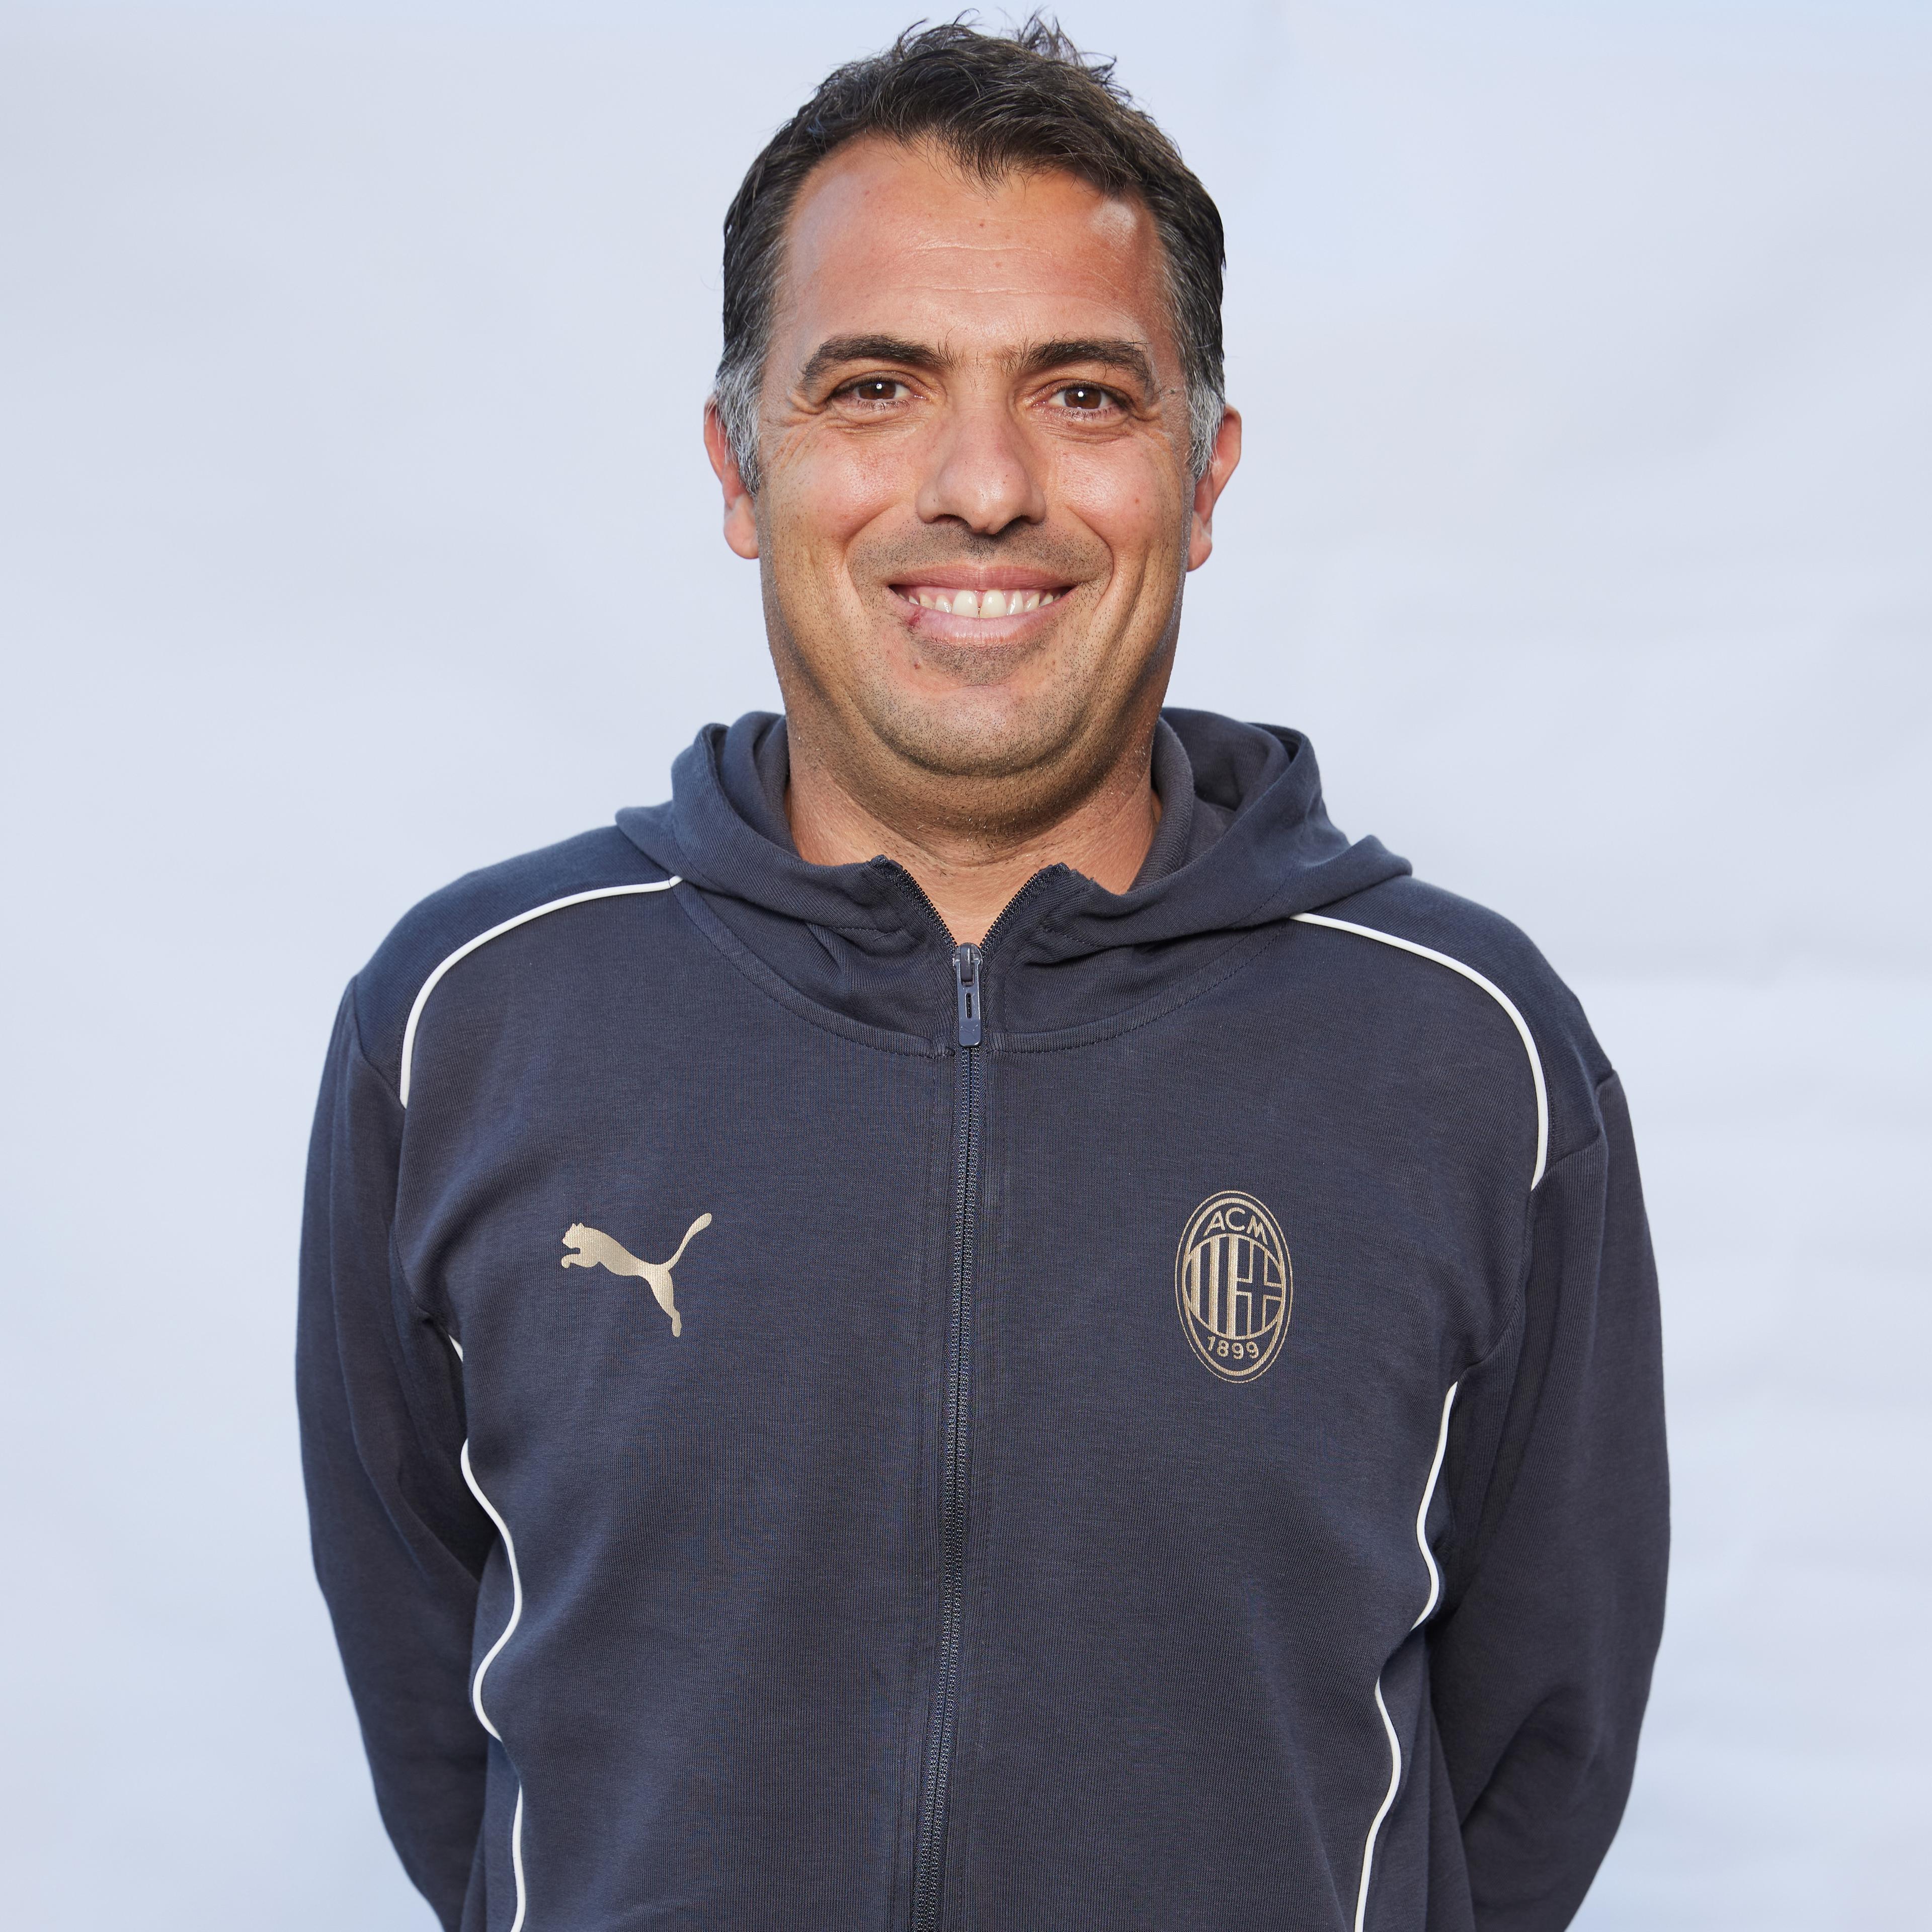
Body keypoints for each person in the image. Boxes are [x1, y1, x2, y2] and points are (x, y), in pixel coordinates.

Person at [298, 20, 1667, 1932]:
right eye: (877, 385)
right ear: (740, 462)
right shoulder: (470, 1025)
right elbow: (450, 1726)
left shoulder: (1465, 1055)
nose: (985, 485)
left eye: (1083, 394)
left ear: (1202, 478)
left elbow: (1533, 1761)